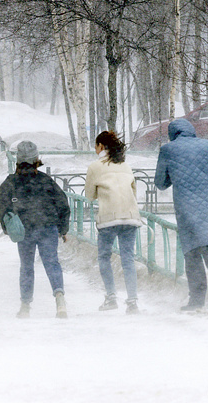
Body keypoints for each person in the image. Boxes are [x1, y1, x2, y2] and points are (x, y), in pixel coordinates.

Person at [154, 118, 208, 311]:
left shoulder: (168, 150)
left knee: (192, 255)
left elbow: (160, 183)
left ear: (172, 134)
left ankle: (196, 300)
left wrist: (174, 175)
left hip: (187, 212)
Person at [0, 141, 71, 319]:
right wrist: (63, 228)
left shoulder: (10, 183)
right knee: (52, 262)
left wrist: (7, 228)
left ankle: (25, 306)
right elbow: (62, 203)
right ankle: (60, 300)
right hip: (47, 227)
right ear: (36, 159)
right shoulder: (45, 180)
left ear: (18, 160)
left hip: (25, 231)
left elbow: (4, 206)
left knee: (27, 267)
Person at [84, 131, 144, 315]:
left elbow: (89, 196)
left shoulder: (95, 167)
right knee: (128, 259)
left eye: (95, 146)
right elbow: (134, 191)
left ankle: (111, 297)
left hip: (109, 218)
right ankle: (132, 301)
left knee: (104, 257)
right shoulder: (125, 165)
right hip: (130, 216)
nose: (95, 150)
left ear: (101, 146)